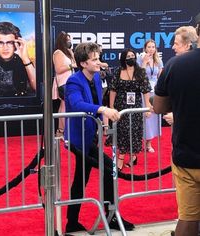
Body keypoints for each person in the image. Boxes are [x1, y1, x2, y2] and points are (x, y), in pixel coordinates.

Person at [64, 42, 135, 233]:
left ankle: (80, 220)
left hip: (91, 136)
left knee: (87, 177)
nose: (98, 62)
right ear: (83, 63)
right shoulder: (74, 81)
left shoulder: (95, 77)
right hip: (78, 140)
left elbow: (96, 101)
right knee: (104, 171)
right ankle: (108, 216)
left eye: (98, 58)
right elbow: (77, 103)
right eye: (94, 59)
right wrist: (103, 109)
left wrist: (103, 124)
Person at [153, 13, 200, 236]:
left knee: (188, 219)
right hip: (186, 155)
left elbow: (160, 107)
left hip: (187, 155)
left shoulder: (175, 65)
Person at [109, 48, 152, 170]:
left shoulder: (140, 72)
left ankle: (133, 156)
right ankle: (121, 158)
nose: (131, 58)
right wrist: (111, 107)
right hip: (121, 106)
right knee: (122, 131)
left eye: (133, 56)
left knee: (134, 132)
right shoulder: (118, 71)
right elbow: (113, 90)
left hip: (136, 107)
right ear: (123, 58)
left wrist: (148, 107)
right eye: (128, 56)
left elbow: (146, 90)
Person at [0, 21, 36, 97]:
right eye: (1, 43)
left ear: (16, 43)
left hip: (21, 106)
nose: (5, 47)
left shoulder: (24, 61)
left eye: (9, 42)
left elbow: (37, 87)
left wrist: (25, 59)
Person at [163, 26, 198, 125]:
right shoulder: (174, 66)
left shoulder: (173, 65)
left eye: (176, 44)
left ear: (187, 46)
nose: (173, 47)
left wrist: (178, 116)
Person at [137, 39, 163, 152]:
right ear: (145, 48)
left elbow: (160, 77)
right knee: (144, 117)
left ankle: (149, 144)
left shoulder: (158, 60)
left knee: (152, 117)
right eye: (149, 47)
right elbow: (139, 75)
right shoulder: (140, 58)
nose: (151, 49)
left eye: (153, 47)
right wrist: (144, 62)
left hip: (154, 92)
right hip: (143, 92)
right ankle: (139, 142)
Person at [52, 31, 77, 137]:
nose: (69, 41)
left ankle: (66, 130)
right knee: (64, 105)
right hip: (63, 83)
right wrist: (71, 66)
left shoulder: (68, 52)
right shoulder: (58, 52)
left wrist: (71, 52)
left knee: (68, 106)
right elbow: (58, 69)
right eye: (67, 40)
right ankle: (60, 131)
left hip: (71, 82)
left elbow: (75, 63)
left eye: (70, 39)